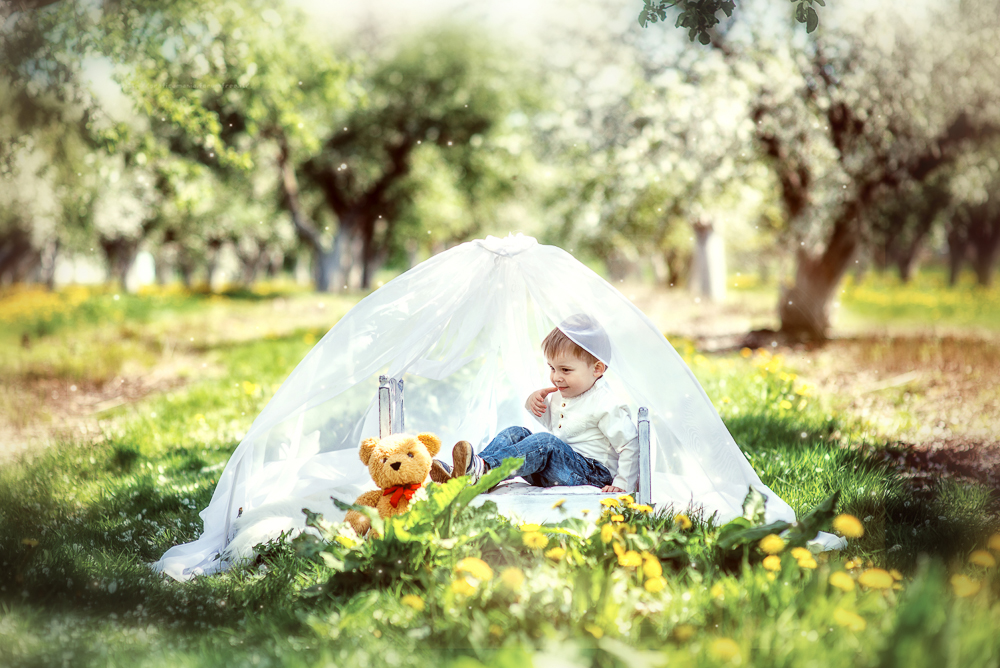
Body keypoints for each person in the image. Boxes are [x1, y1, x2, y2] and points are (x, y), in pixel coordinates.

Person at [431, 315, 638, 493]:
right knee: (515, 432)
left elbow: (630, 444)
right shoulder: (564, 393)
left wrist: (622, 483)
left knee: (545, 443)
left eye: (565, 370)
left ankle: (482, 471)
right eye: (552, 368)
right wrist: (535, 405)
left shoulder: (605, 403)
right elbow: (557, 428)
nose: (556, 377)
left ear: (597, 369)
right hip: (556, 470)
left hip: (591, 474)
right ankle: (473, 471)